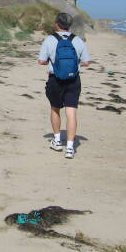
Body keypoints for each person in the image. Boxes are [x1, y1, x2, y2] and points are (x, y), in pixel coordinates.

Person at [37, 12, 91, 159]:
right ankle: (70, 148)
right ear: (69, 25)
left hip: (55, 79)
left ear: (56, 24)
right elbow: (86, 62)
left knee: (55, 109)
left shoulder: (49, 39)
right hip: (73, 80)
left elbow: (41, 61)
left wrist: (53, 61)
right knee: (71, 113)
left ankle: (57, 140)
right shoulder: (78, 40)